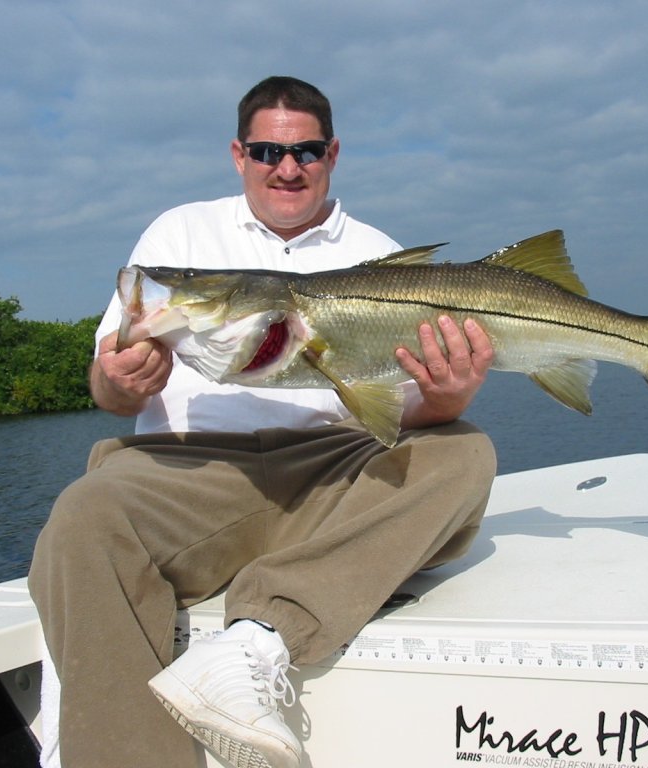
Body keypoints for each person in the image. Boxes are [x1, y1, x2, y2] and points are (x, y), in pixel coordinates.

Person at [29, 76, 497, 768]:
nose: (288, 168)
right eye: (267, 150)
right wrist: (121, 378)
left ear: (333, 153)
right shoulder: (178, 235)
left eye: (307, 151)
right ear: (238, 154)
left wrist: (448, 398)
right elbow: (110, 385)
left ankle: (254, 642)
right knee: (83, 514)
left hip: (330, 471)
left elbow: (402, 411)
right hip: (192, 475)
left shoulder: (382, 256)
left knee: (463, 454)